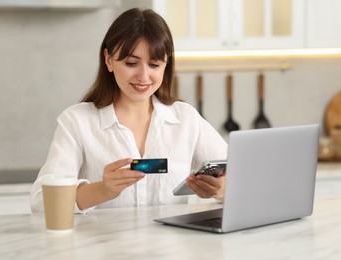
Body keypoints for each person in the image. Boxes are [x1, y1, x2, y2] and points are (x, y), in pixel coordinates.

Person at [30, 8, 227, 213]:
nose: (143, 76)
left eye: (154, 64)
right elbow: (40, 201)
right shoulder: (76, 122)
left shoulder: (186, 119)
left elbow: (245, 180)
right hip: (100, 244)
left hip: (172, 245)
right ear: (108, 60)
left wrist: (220, 191)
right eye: (131, 63)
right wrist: (102, 190)